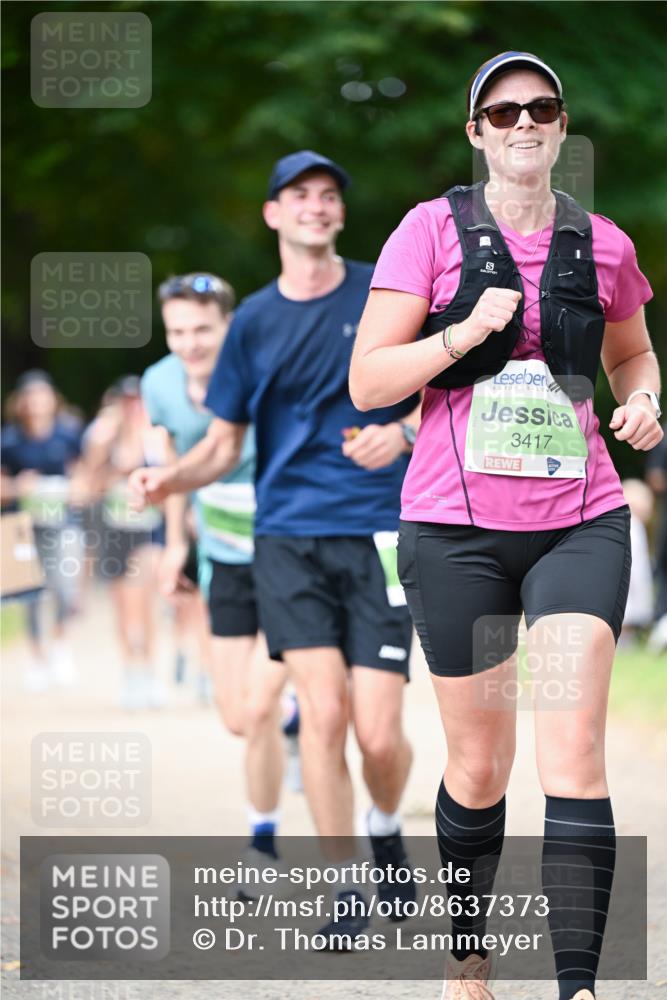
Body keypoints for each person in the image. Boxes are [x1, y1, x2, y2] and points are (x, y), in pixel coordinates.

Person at [349, 52, 662, 1000]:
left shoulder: (602, 243)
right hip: (455, 531)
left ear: (562, 127)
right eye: (503, 111)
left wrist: (647, 403)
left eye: (542, 108)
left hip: (580, 521)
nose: (524, 123)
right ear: (476, 131)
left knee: (572, 753)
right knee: (480, 768)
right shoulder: (426, 232)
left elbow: (633, 355)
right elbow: (368, 384)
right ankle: (469, 955)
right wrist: (459, 331)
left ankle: (576, 986)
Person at [131, 150, 421, 935]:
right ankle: (345, 889)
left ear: (339, 214)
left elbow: (440, 400)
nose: (316, 206)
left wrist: (399, 434)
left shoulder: (385, 294)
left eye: (329, 195)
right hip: (287, 538)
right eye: (300, 196)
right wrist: (171, 482)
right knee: (322, 716)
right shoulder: (253, 321)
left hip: (379, 533)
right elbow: (224, 444)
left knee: (380, 732)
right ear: (274, 215)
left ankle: (385, 827)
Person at [141, 271, 296, 870]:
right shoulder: (159, 383)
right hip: (224, 557)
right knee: (236, 716)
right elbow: (179, 466)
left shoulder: (264, 372)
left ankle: (264, 841)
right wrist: (176, 543)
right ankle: (294, 717)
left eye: (202, 329)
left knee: (256, 706)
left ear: (228, 325)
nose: (189, 343)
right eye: (177, 331)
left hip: (289, 552)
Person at [82, 377, 166, 709]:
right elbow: (89, 484)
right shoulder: (102, 436)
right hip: (113, 528)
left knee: (144, 600)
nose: (133, 408)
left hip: (145, 529)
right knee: (122, 605)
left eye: (138, 401)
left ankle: (148, 668)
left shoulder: (155, 437)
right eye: (127, 401)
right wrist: (107, 458)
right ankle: (130, 670)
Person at [1, 369, 84, 690]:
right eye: (30, 396)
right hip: (23, 527)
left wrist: (75, 487)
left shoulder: (68, 435)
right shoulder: (8, 440)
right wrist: (18, 486)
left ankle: (61, 644)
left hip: (63, 523)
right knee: (30, 594)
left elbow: (83, 476)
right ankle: (37, 659)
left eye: (42, 395)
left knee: (66, 588)